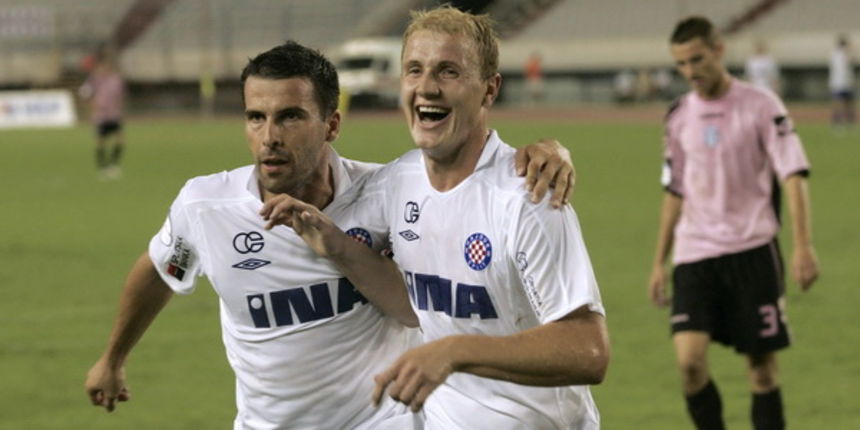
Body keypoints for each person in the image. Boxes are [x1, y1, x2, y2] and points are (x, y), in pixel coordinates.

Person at [84, 40, 575, 429]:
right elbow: (159, 270)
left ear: (332, 123)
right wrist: (112, 358)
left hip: (385, 419)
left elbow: (464, 172)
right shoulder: (206, 206)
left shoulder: (385, 192)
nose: (269, 136)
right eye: (256, 117)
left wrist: (542, 152)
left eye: (291, 117)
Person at [261, 7, 609, 429]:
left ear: (489, 89)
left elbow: (589, 351)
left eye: (448, 72)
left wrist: (454, 352)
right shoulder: (396, 183)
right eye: (414, 70)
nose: (427, 87)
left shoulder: (527, 197)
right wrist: (335, 245)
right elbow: (417, 307)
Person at [648, 16, 819, 430]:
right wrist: (659, 261)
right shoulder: (679, 116)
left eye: (697, 60)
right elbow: (675, 192)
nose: (691, 72)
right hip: (695, 252)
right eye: (682, 65)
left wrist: (802, 244)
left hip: (752, 251)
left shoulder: (762, 105)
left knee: (761, 370)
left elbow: (792, 175)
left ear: (719, 49)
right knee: (689, 364)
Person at [79, 46, 126, 180]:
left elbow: (120, 96)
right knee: (101, 142)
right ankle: (103, 166)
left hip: (114, 115)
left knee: (120, 140)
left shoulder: (116, 80)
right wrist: (92, 106)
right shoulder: (95, 80)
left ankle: (114, 164)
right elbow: (84, 93)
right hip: (101, 116)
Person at [829, 34, 855, 131]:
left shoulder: (844, 53)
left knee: (849, 104)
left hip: (847, 83)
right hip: (838, 83)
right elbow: (843, 65)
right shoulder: (836, 54)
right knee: (839, 104)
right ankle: (837, 123)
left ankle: (850, 123)